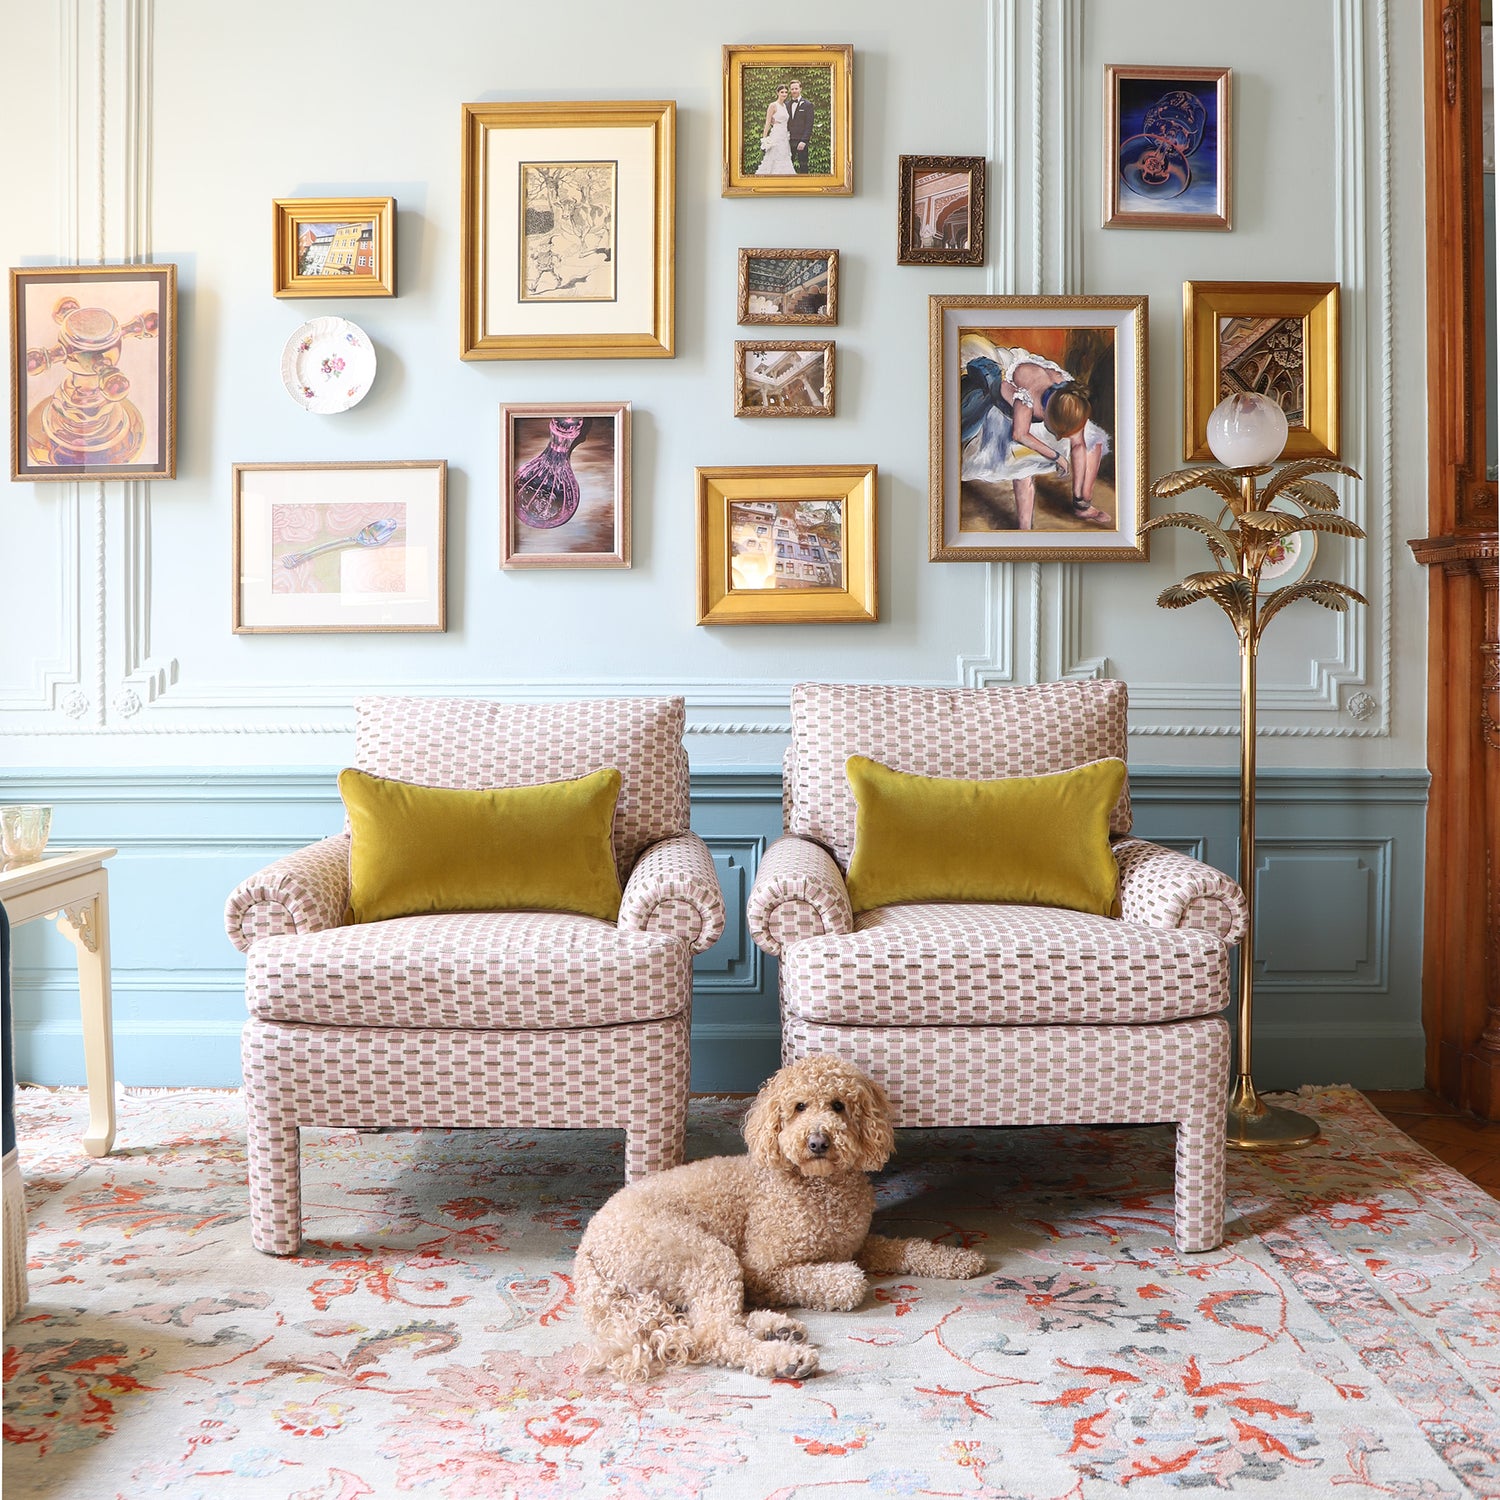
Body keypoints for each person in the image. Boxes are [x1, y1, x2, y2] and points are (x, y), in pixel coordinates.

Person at [959, 334, 1112, 529]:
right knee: (1022, 463)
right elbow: (1019, 434)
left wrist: (1078, 488)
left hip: (1044, 397)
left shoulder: (1069, 396)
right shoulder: (1024, 399)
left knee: (1091, 442)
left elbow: (1078, 443)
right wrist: (1056, 456)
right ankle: (1025, 528)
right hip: (1005, 402)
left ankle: (1082, 503)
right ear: (1046, 417)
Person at [755, 86, 794, 176]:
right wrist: (764, 138)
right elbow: (768, 122)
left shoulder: (785, 105)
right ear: (777, 93)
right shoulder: (773, 105)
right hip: (776, 134)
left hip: (784, 135)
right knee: (774, 155)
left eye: (785, 92)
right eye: (782, 92)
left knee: (784, 155)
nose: (784, 94)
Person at [786, 79, 815, 174]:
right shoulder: (786, 105)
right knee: (787, 166)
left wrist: (804, 141)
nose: (794, 91)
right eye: (792, 89)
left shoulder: (808, 105)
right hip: (788, 141)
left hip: (801, 141)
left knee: (803, 166)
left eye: (796, 88)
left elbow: (809, 125)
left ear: (800, 89)